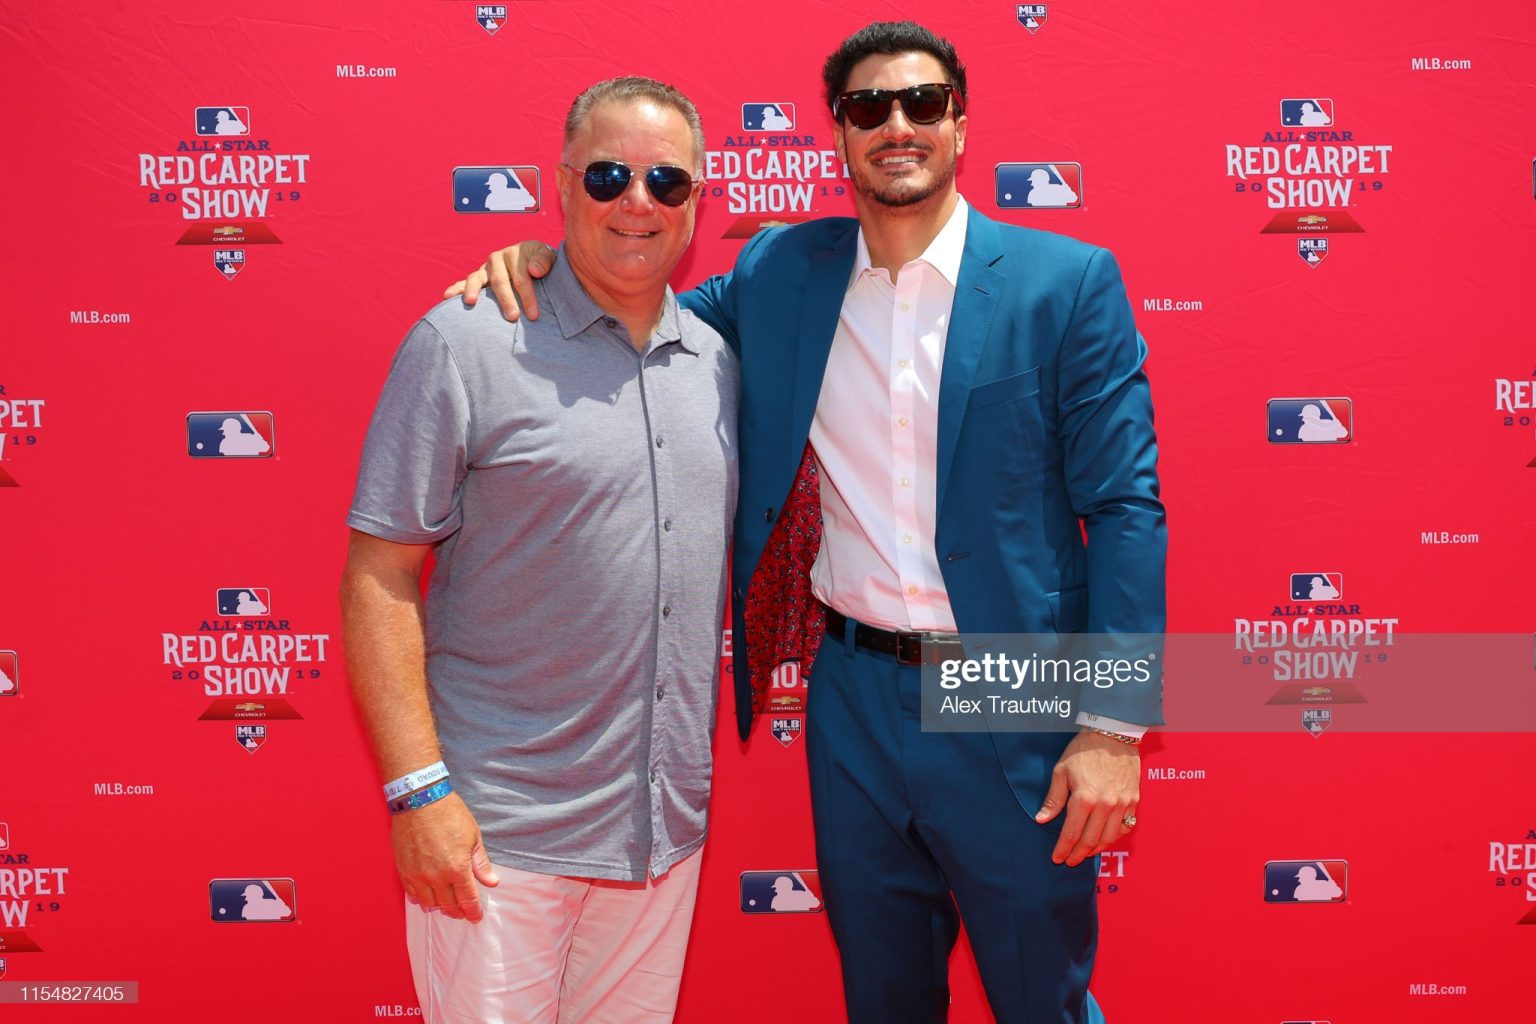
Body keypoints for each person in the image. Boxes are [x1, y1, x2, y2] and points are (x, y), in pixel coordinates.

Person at [448, 22, 1164, 1023]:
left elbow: (1126, 507)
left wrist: (1114, 726)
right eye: (869, 107)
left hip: (1013, 683)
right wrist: (547, 256)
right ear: (840, 133)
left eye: (923, 102)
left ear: (961, 123)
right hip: (854, 692)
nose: (897, 124)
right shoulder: (785, 270)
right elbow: (641, 313)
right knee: (882, 995)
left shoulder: (1066, 284)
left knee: (1042, 997)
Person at [343, 76, 736, 1024]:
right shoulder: (465, 342)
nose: (636, 202)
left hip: (658, 842)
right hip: (494, 841)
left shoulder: (720, 361)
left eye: (666, 182)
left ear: (698, 197)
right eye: (607, 176)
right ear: (558, 186)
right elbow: (378, 576)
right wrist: (417, 794)